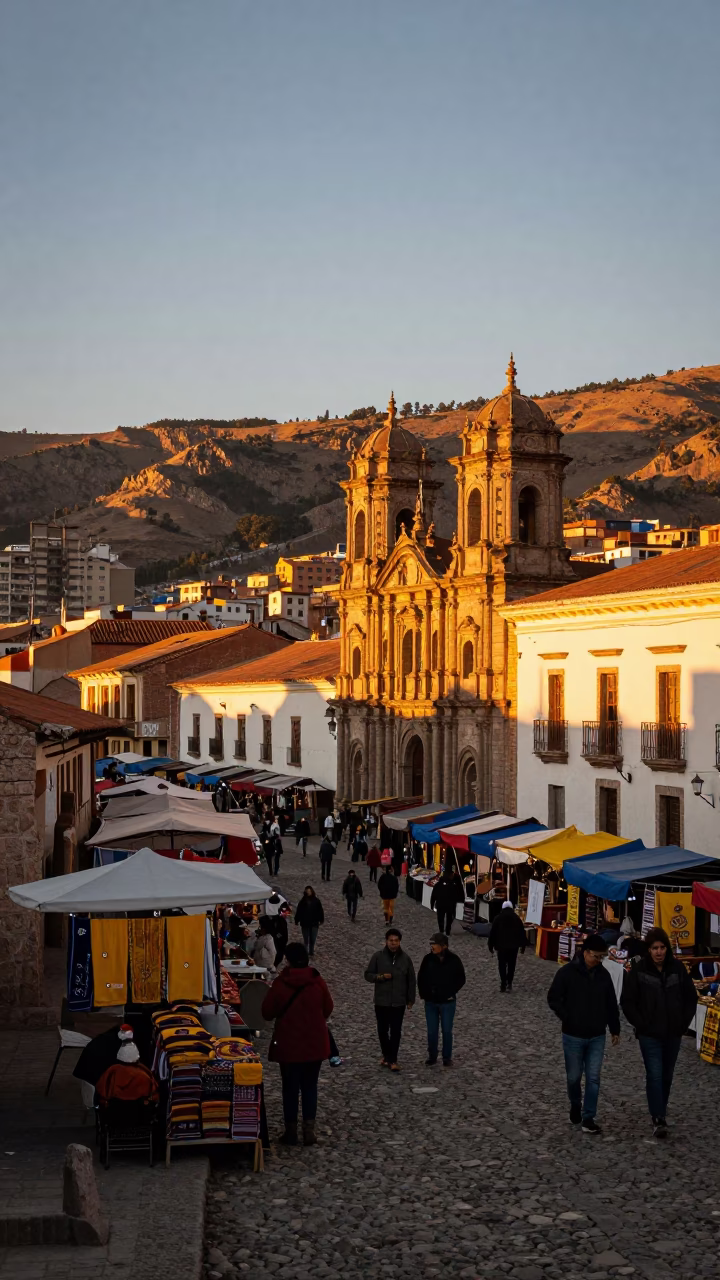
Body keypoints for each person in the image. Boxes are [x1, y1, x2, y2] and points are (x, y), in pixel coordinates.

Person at [621, 926, 698, 1138]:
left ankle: (660, 1110)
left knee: (666, 1076)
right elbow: (627, 1001)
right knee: (654, 1074)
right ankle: (658, 1117)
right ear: (649, 949)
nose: (659, 952)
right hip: (649, 1034)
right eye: (655, 948)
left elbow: (691, 998)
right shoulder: (639, 970)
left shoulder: (678, 969)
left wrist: (683, 1024)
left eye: (662, 947)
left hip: (673, 1033)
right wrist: (641, 1024)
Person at [547, 933, 621, 1135]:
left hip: (597, 1034)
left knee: (594, 1077)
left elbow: (610, 1003)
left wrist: (614, 1028)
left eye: (601, 957)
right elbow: (553, 997)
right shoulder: (567, 973)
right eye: (596, 956)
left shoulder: (603, 975)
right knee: (573, 1077)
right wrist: (567, 1017)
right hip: (573, 1034)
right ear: (586, 953)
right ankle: (574, 1103)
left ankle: (589, 1117)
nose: (599, 960)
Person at [261, 942, 333, 1146]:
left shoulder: (281, 983)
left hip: (288, 1043)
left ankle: (291, 1131)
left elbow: (267, 1012)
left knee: (290, 1087)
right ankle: (309, 1131)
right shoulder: (317, 981)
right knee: (310, 1086)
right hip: (314, 1042)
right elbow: (328, 1007)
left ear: (288, 960)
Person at [364, 927, 416, 1072]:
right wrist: (380, 977)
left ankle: (392, 1059)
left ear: (400, 942)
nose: (393, 943)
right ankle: (387, 1055)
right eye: (391, 941)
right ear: (386, 941)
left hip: (398, 1002)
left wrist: (410, 999)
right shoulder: (378, 957)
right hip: (381, 1001)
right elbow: (368, 975)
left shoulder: (406, 959)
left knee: (396, 1031)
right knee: (382, 1030)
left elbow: (411, 980)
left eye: (396, 941)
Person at [417, 932, 466, 1067]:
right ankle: (432, 1055)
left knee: (447, 1030)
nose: (432, 947)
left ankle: (446, 1057)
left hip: (448, 1002)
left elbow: (461, 978)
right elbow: (421, 978)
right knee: (432, 1031)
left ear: (443, 946)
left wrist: (451, 991)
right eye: (431, 944)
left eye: (435, 944)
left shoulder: (454, 960)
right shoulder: (428, 959)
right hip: (431, 1002)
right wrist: (424, 994)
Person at [487, 900, 527, 992]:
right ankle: (509, 983)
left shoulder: (498, 918)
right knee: (511, 965)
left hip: (501, 946)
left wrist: (490, 945)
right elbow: (521, 932)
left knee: (502, 964)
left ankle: (503, 983)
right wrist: (523, 946)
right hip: (513, 947)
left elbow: (492, 933)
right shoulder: (516, 918)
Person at [430, 869, 464, 935]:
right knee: (449, 918)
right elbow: (457, 895)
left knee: (440, 918)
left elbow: (433, 895)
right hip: (450, 905)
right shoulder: (453, 885)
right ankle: (447, 931)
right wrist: (459, 901)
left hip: (440, 904)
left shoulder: (438, 884)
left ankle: (441, 930)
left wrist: (432, 904)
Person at [294, 886, 324, 957]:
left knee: (313, 938)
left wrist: (321, 919)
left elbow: (320, 911)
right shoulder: (302, 901)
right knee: (306, 939)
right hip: (305, 923)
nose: (308, 892)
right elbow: (299, 911)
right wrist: (296, 920)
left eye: (309, 891)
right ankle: (306, 952)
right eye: (307, 891)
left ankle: (311, 951)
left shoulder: (316, 901)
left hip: (314, 923)